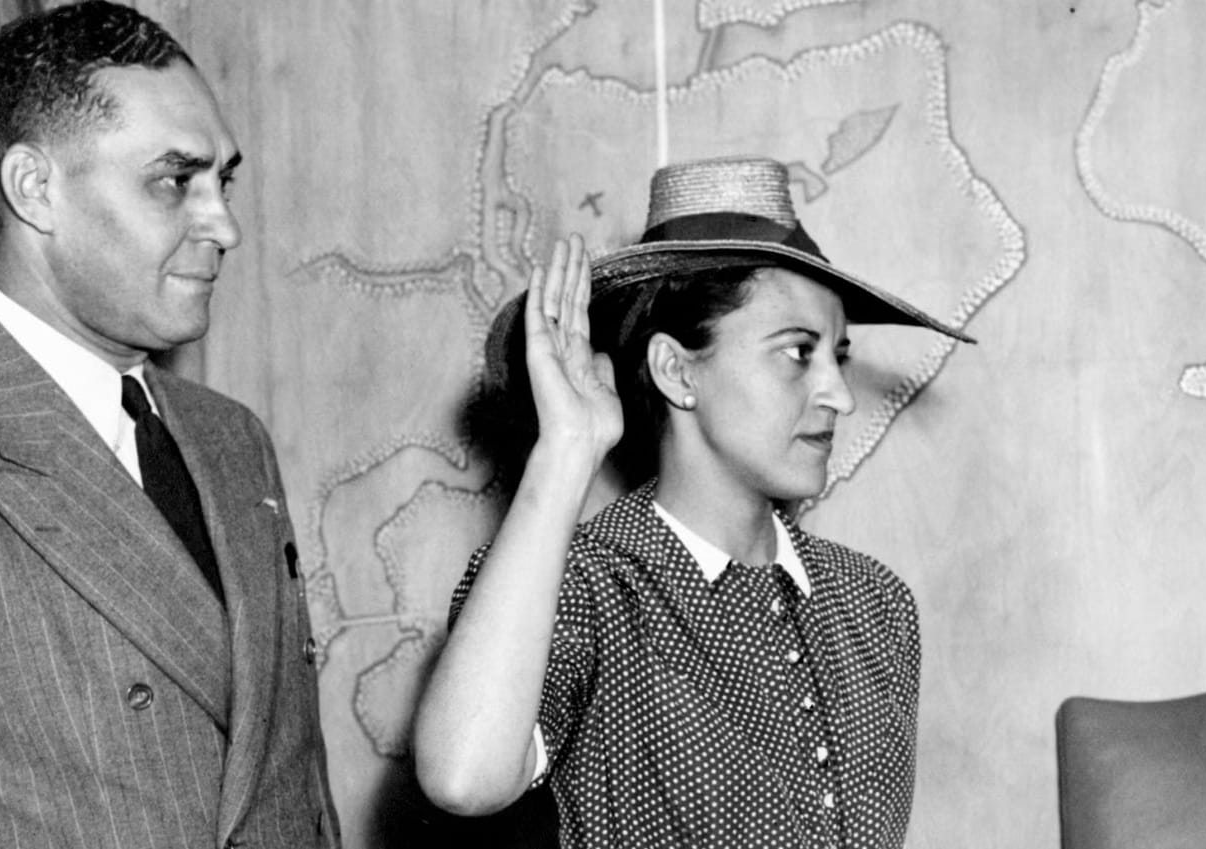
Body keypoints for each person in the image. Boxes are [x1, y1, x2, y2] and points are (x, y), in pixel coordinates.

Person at [0, 3, 339, 846]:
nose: (223, 224)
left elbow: (295, 797)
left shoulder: (232, 441)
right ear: (35, 189)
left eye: (221, 181)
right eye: (173, 181)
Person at [414, 155, 972, 847]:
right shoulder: (586, 585)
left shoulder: (874, 603)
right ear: (677, 370)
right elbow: (463, 777)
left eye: (839, 354)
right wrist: (566, 450)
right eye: (799, 352)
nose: (839, 393)